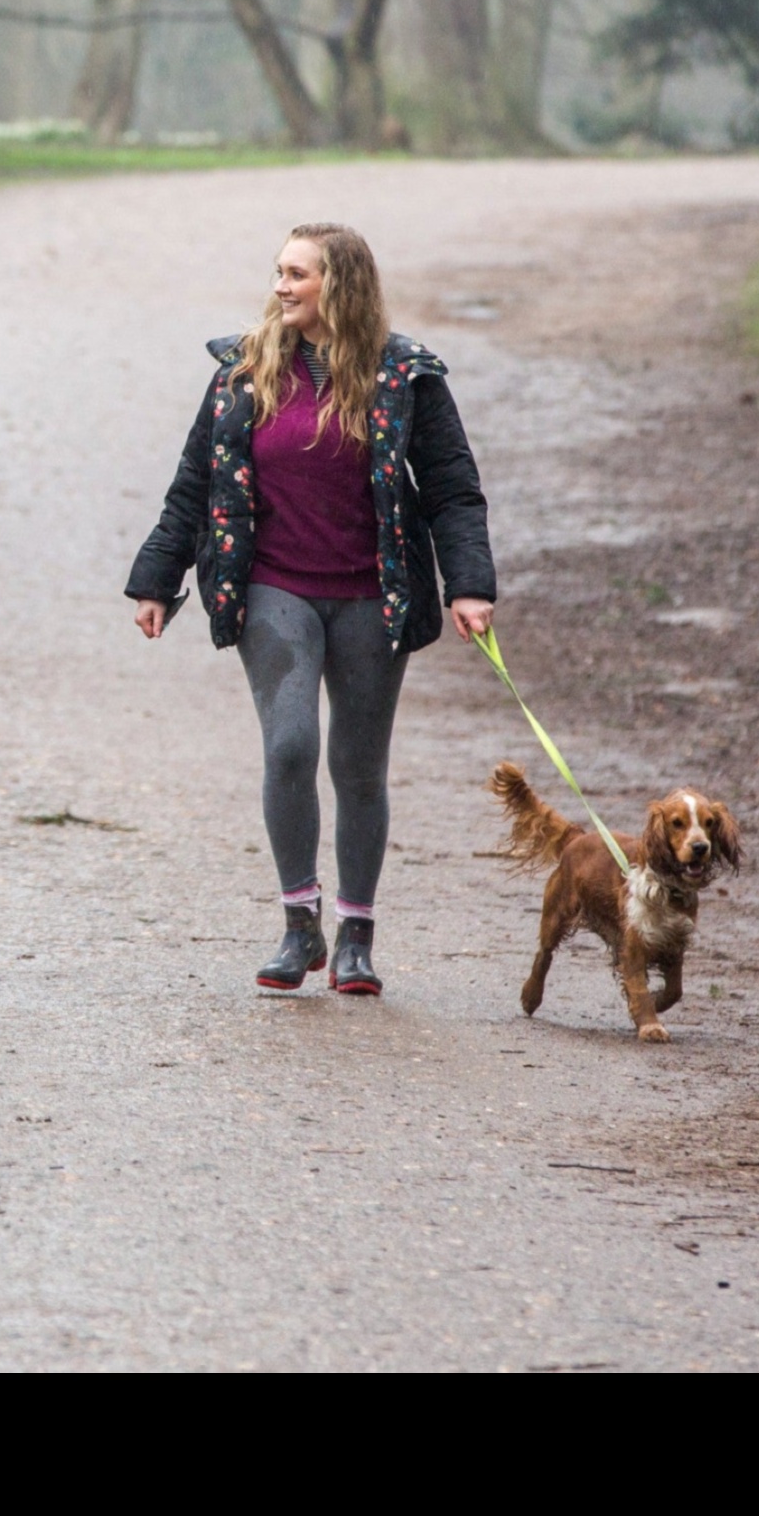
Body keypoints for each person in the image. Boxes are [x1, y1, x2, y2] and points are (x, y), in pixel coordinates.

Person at [125, 223, 494, 997]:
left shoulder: (406, 376)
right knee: (290, 743)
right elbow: (195, 481)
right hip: (272, 585)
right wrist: (157, 579)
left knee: (359, 767)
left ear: (341, 285)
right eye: (279, 272)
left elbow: (454, 489)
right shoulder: (244, 370)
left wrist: (469, 585)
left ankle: (357, 933)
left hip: (371, 591)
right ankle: (300, 925)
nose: (281, 286)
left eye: (298, 274)